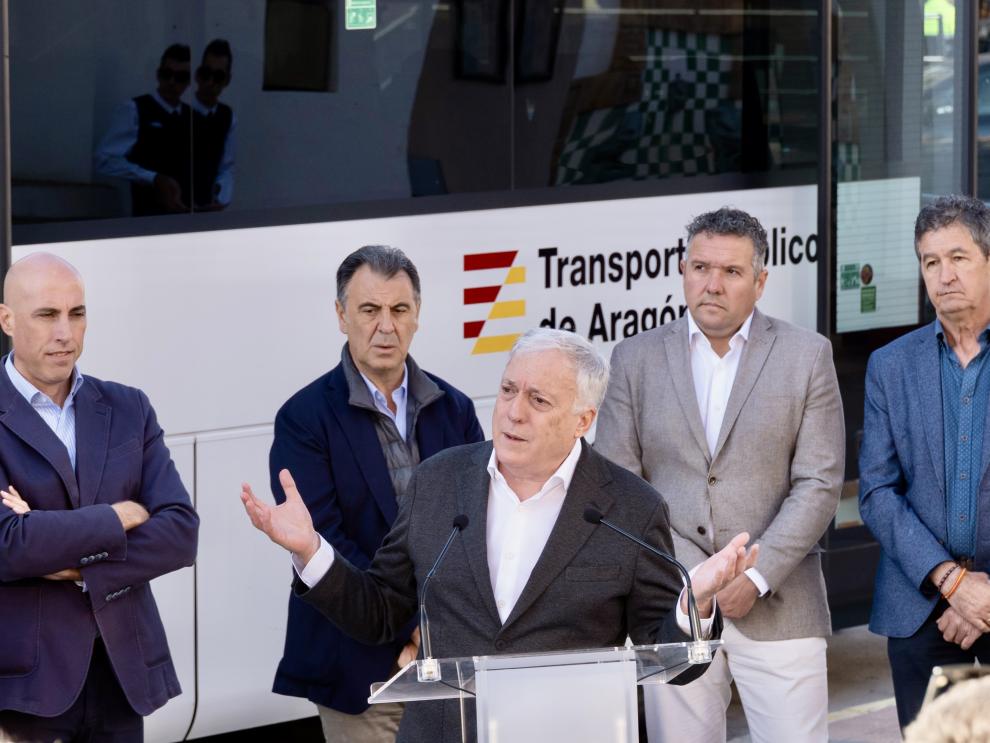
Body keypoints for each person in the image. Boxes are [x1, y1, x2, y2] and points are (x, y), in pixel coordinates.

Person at [242, 327, 759, 743]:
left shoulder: (630, 507)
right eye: (510, 390)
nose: (513, 411)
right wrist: (312, 553)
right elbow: (381, 611)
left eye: (538, 400)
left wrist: (695, 604)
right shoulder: (439, 482)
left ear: (583, 419)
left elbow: (672, 662)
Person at [595, 207, 844, 743]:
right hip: (674, 605)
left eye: (731, 272)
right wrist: (695, 582)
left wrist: (754, 577)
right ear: (683, 270)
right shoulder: (634, 359)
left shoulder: (807, 355)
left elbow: (820, 483)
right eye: (700, 267)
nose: (712, 284)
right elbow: (618, 486)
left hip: (781, 604)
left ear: (760, 281)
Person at [268, 245, 485, 743]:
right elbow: (325, 543)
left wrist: (437, 633)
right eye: (369, 310)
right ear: (342, 316)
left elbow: (474, 525)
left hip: (449, 662)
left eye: (399, 309)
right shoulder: (303, 419)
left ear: (417, 317)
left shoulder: (454, 408)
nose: (385, 326)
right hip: (360, 668)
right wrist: (411, 629)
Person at [0, 253, 199, 742]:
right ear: (7, 319)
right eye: (47, 315)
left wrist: (73, 562)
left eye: (77, 313)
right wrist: (119, 516)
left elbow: (180, 533)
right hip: (27, 688)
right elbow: (10, 546)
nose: (65, 332)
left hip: (121, 675)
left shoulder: (128, 408)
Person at [859, 194, 990, 730]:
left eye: (959, 258)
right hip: (920, 611)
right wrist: (954, 585)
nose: (944, 275)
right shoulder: (889, 366)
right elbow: (876, 491)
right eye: (930, 261)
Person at [95, 44, 193, 216]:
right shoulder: (134, 110)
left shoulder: (192, 117)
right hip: (147, 223)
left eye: (180, 77)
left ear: (188, 82)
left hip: (188, 222)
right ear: (158, 74)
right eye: (167, 74)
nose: (172, 81)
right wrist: (152, 178)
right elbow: (104, 160)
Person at [191, 39, 236, 211]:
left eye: (218, 77)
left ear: (227, 80)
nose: (210, 82)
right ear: (197, 74)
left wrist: (220, 195)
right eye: (206, 74)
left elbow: (227, 167)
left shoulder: (228, 117)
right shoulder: (179, 111)